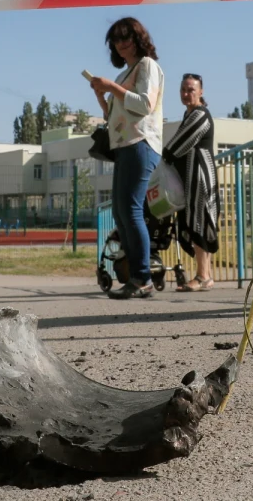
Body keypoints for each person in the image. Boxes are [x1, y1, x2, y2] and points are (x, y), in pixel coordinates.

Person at [90, 17, 165, 299]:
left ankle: (142, 277)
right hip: (125, 144)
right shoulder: (125, 74)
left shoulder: (147, 65)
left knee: (131, 211)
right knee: (121, 213)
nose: (121, 44)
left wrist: (111, 87)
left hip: (141, 142)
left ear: (138, 37)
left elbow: (144, 104)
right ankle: (136, 276)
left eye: (126, 38)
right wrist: (103, 94)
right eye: (116, 40)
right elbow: (113, 116)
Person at [162, 74, 220, 292]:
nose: (186, 94)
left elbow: (178, 145)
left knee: (200, 224)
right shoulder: (189, 114)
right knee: (199, 224)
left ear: (201, 92)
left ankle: (203, 276)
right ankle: (206, 275)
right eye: (183, 90)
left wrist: (162, 158)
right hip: (192, 179)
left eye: (191, 90)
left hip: (200, 179)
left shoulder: (200, 114)